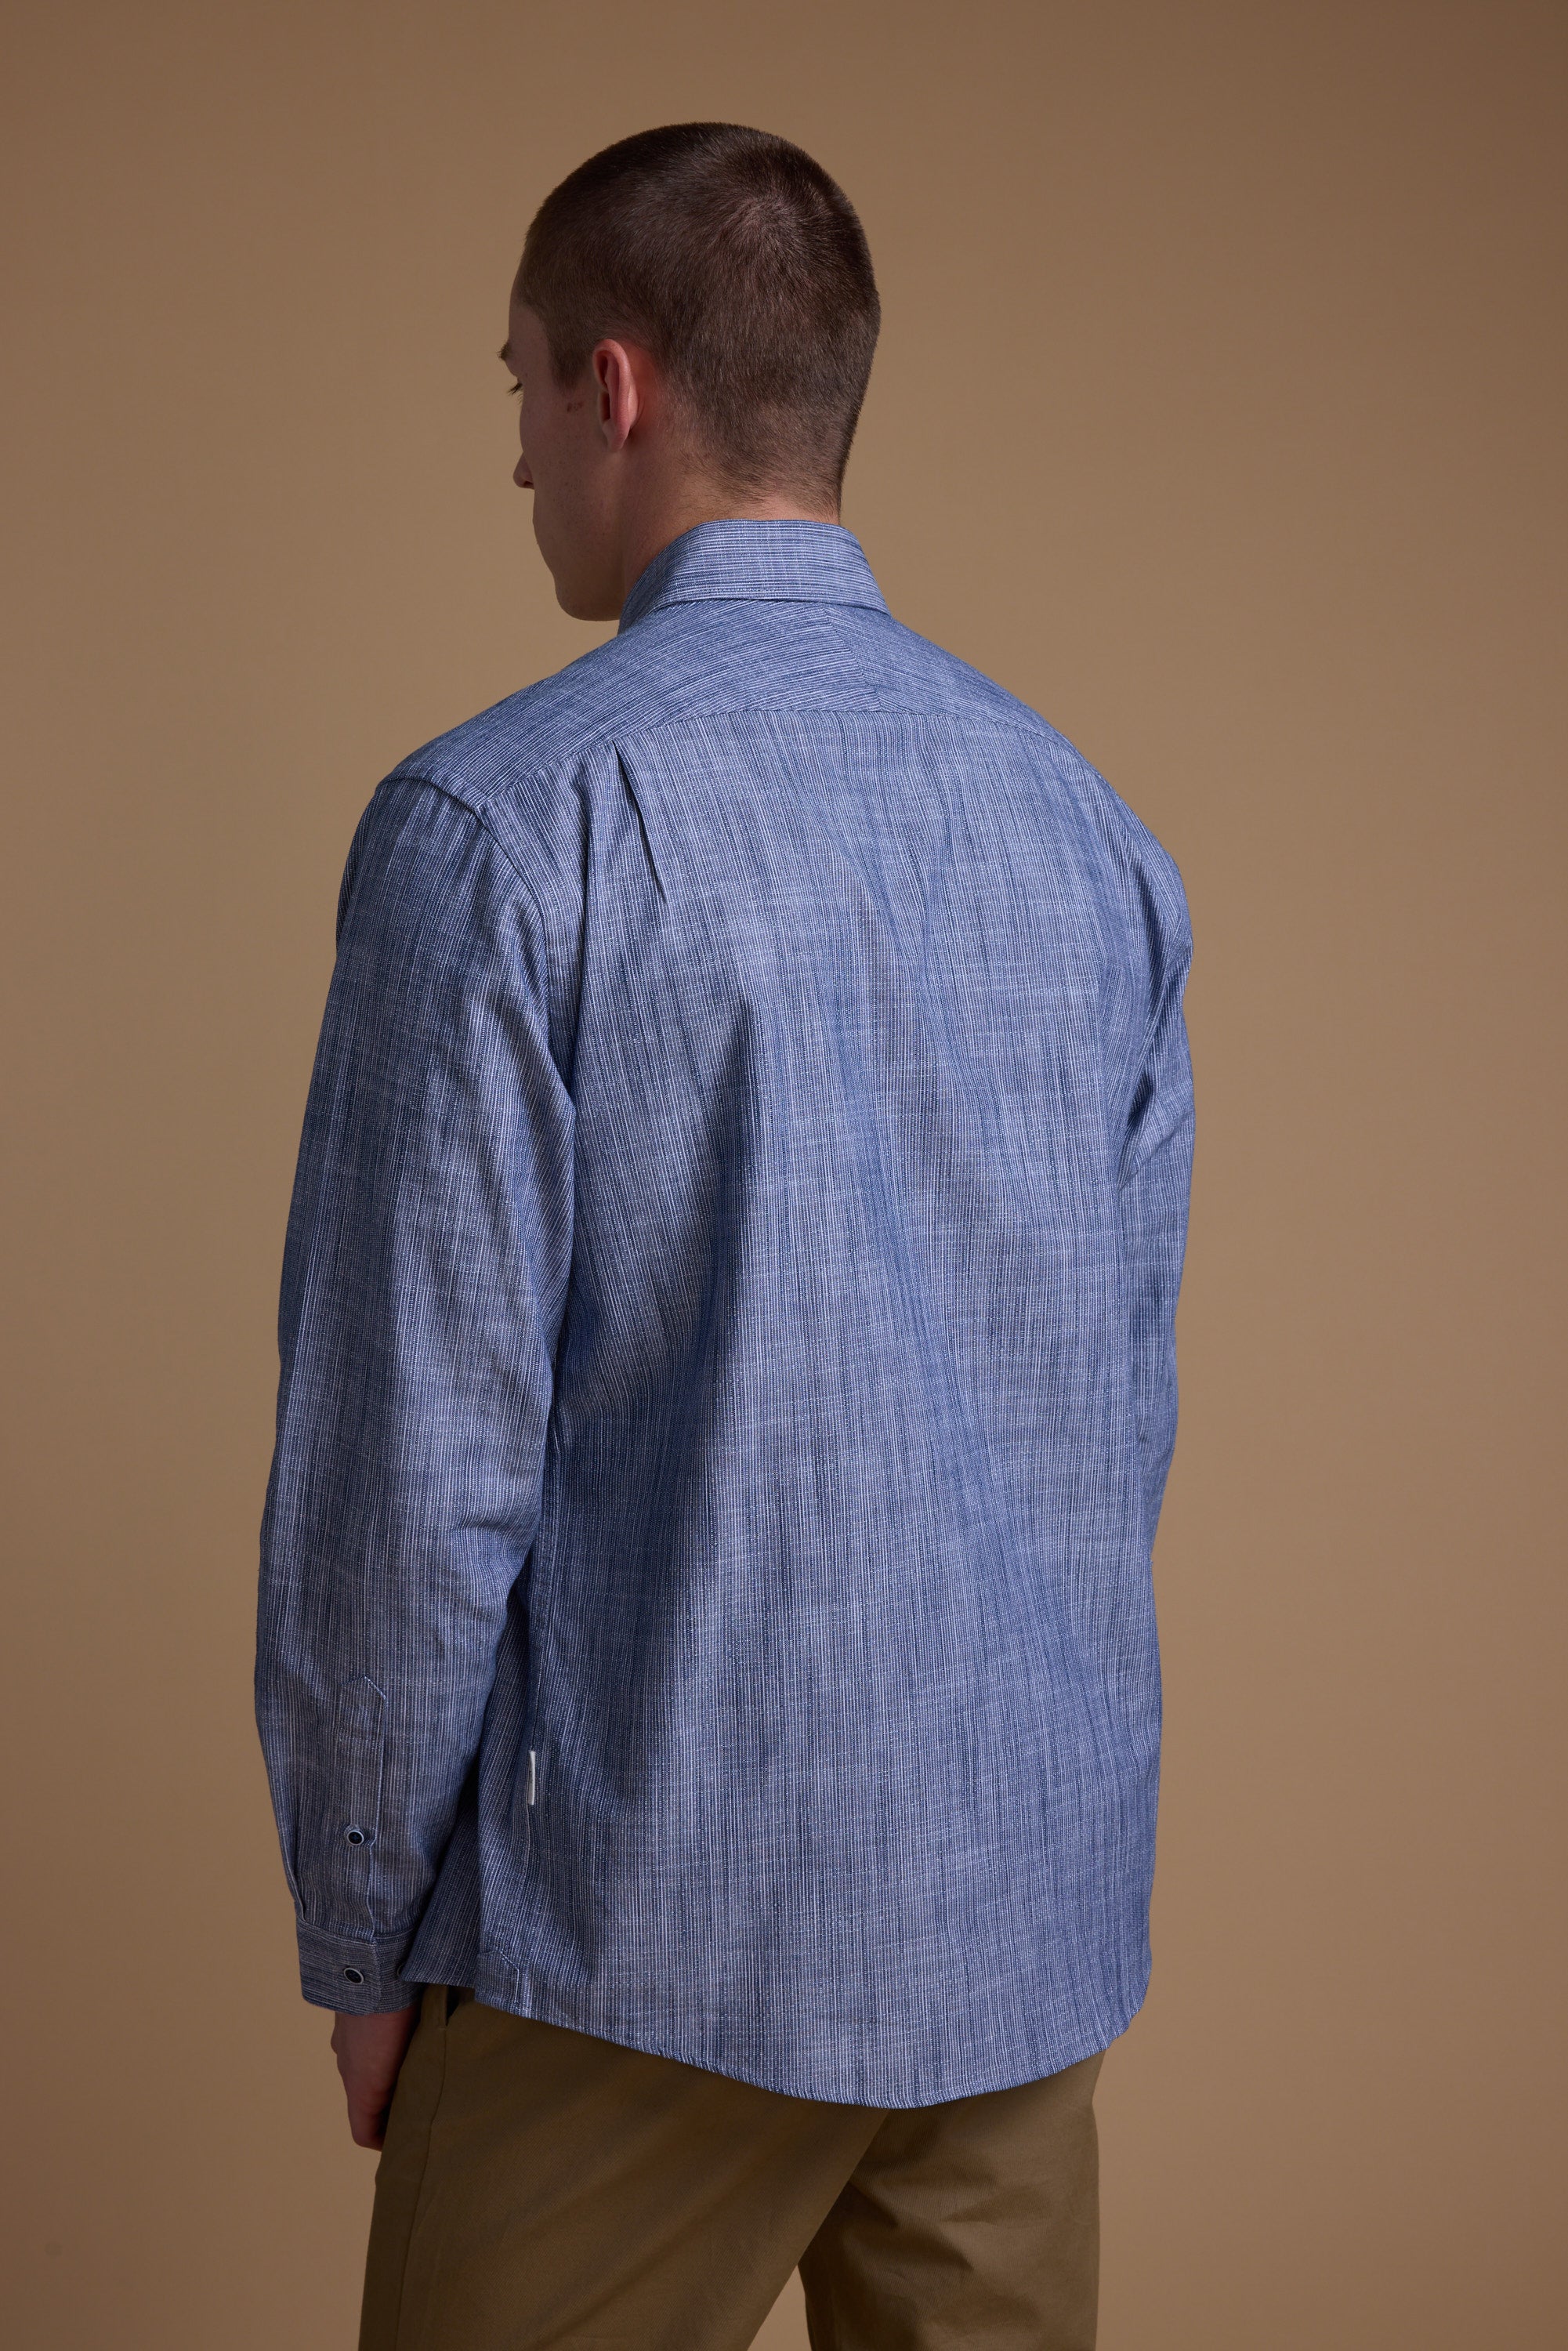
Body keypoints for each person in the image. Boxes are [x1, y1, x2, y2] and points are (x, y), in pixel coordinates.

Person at [255, 121, 1194, 2351]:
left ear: (613, 385)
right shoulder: (1087, 831)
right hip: (1017, 1949)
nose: (510, 461)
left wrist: (365, 1941)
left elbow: (405, 1474)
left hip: (639, 1946)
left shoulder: (499, 827)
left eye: (510, 387)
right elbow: (1112, 1404)